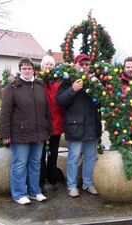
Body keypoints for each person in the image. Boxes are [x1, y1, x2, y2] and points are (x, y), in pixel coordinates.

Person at [0, 58, 51, 205]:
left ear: (34, 70)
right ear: (20, 70)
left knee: (35, 163)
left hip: (39, 133)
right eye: (24, 68)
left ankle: (34, 191)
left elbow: (46, 111)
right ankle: (19, 193)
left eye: (29, 68)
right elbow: (5, 112)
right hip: (20, 133)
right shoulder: (13, 87)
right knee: (20, 164)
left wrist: (48, 130)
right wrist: (5, 134)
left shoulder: (40, 86)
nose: (27, 71)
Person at [56, 53, 101, 197]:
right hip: (75, 126)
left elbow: (100, 102)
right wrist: (72, 90)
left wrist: (97, 89)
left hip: (91, 126)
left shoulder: (94, 81)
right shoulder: (68, 80)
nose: (84, 67)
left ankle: (87, 183)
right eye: (81, 64)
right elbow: (60, 101)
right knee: (74, 157)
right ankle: (72, 185)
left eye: (87, 64)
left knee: (90, 157)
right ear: (75, 65)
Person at [39, 55, 64, 192]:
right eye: (46, 64)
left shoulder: (58, 83)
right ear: (42, 66)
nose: (48, 66)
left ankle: (52, 176)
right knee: (41, 154)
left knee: (53, 153)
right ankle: (41, 180)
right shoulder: (38, 82)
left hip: (56, 124)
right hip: (42, 126)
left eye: (50, 64)